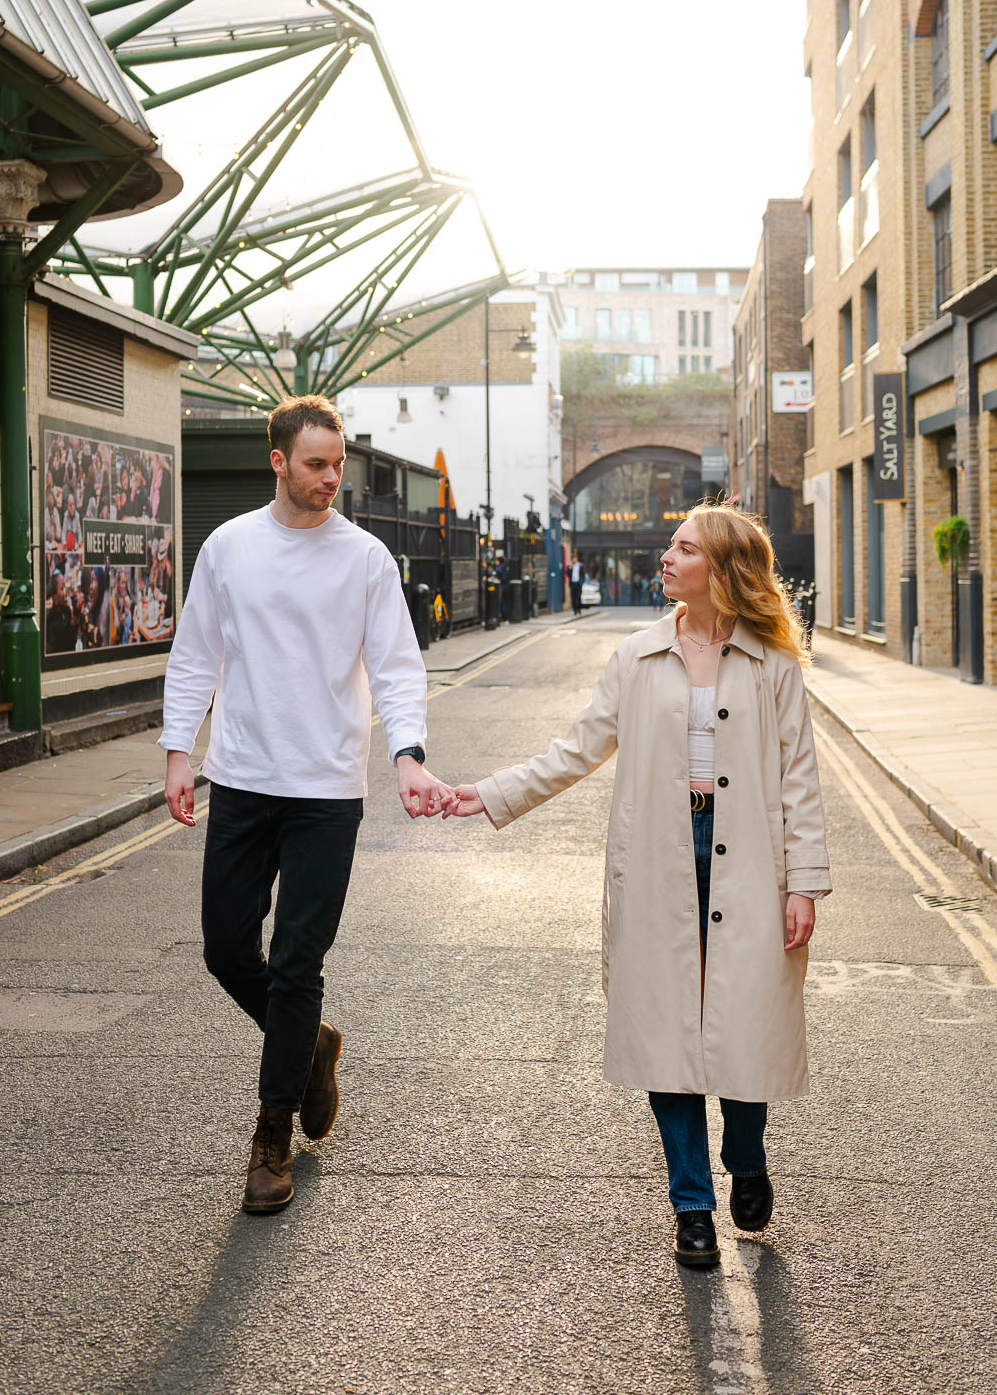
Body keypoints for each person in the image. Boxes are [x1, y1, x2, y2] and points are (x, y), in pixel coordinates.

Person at [446, 502, 829, 1269]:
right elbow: (576, 748)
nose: (665, 557)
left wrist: (804, 883)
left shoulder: (772, 663)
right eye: (669, 546)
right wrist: (486, 794)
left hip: (750, 857)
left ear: (720, 570)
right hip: (661, 854)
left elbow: (799, 779)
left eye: (683, 549)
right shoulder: (635, 656)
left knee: (742, 1025)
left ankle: (745, 1159)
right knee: (666, 1036)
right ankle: (690, 1205)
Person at [160, 395, 456, 1216]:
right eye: (317, 465)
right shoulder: (228, 548)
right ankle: (312, 1045)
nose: (332, 479)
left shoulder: (363, 559)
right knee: (226, 949)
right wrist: (180, 752)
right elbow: (195, 655)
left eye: (339, 464)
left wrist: (406, 755)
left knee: (297, 964)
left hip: (326, 788)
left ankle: (269, 1137)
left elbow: (396, 667)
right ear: (279, 462)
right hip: (245, 777)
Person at [567, 549, 585, 617]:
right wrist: (570, 567)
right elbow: (568, 574)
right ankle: (575, 611)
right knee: (573, 598)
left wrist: (581, 582)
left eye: (575, 558)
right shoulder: (570, 566)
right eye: (573, 559)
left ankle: (579, 610)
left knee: (579, 597)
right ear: (572, 559)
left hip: (578, 583)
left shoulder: (580, 565)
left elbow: (583, 575)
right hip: (572, 583)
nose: (575, 560)